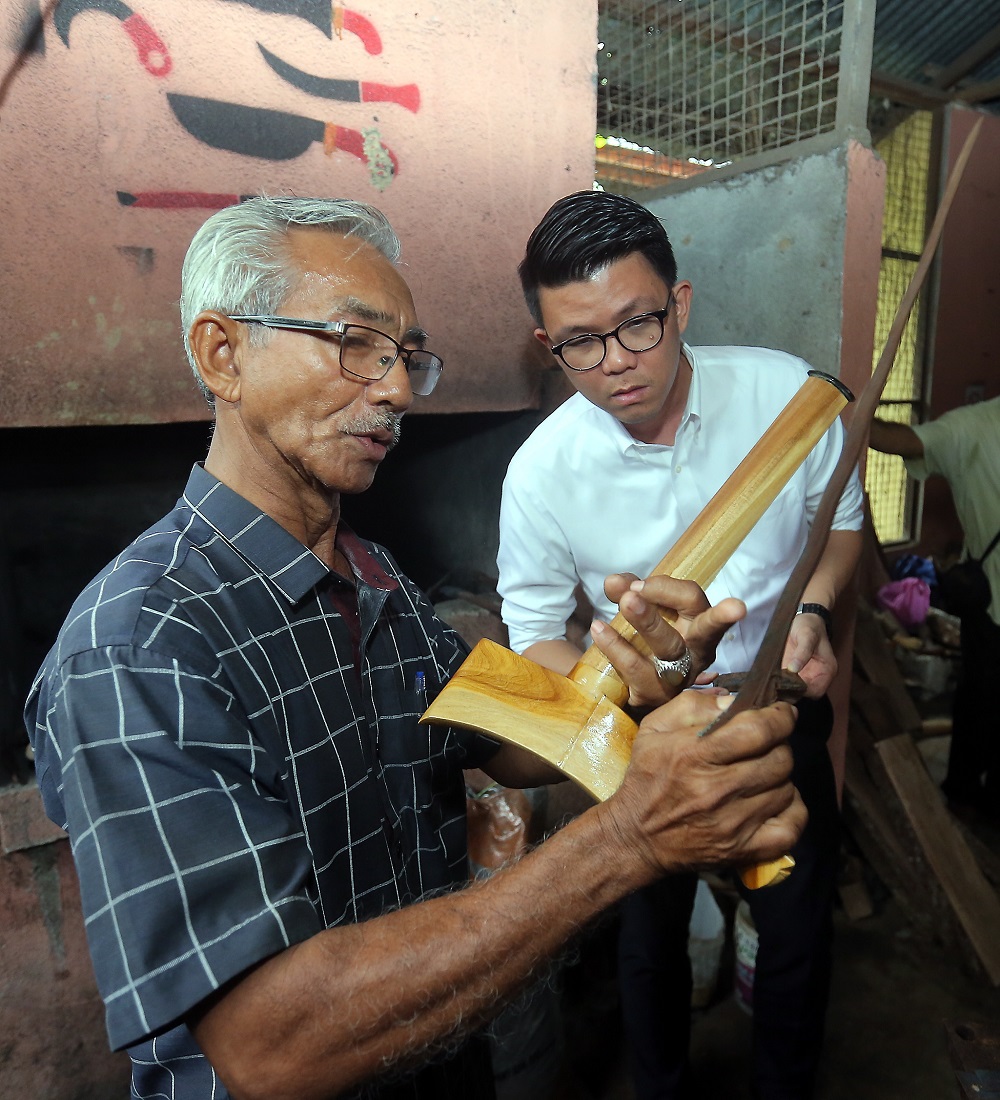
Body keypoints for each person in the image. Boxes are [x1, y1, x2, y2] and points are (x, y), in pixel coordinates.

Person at [24, 195, 806, 1100]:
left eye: (406, 355)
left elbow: (511, 739)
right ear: (223, 355)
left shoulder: (370, 573)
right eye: (356, 343)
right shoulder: (139, 647)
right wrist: (627, 840)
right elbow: (271, 1045)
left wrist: (635, 670)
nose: (396, 389)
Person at [497, 189, 865, 1100]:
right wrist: (629, 695)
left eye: (639, 324)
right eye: (581, 342)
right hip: (642, 741)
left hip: (776, 712)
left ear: (681, 304)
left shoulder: (786, 400)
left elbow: (844, 525)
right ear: (547, 345)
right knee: (647, 937)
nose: (616, 362)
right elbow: (535, 637)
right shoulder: (540, 474)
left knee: (795, 931)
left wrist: (814, 611)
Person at [869, 402, 1000, 821]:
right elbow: (900, 440)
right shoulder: (974, 428)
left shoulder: (974, 427)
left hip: (990, 614)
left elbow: (897, 440)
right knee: (979, 703)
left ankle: (970, 797)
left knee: (979, 703)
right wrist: (841, 405)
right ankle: (967, 796)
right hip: (992, 611)